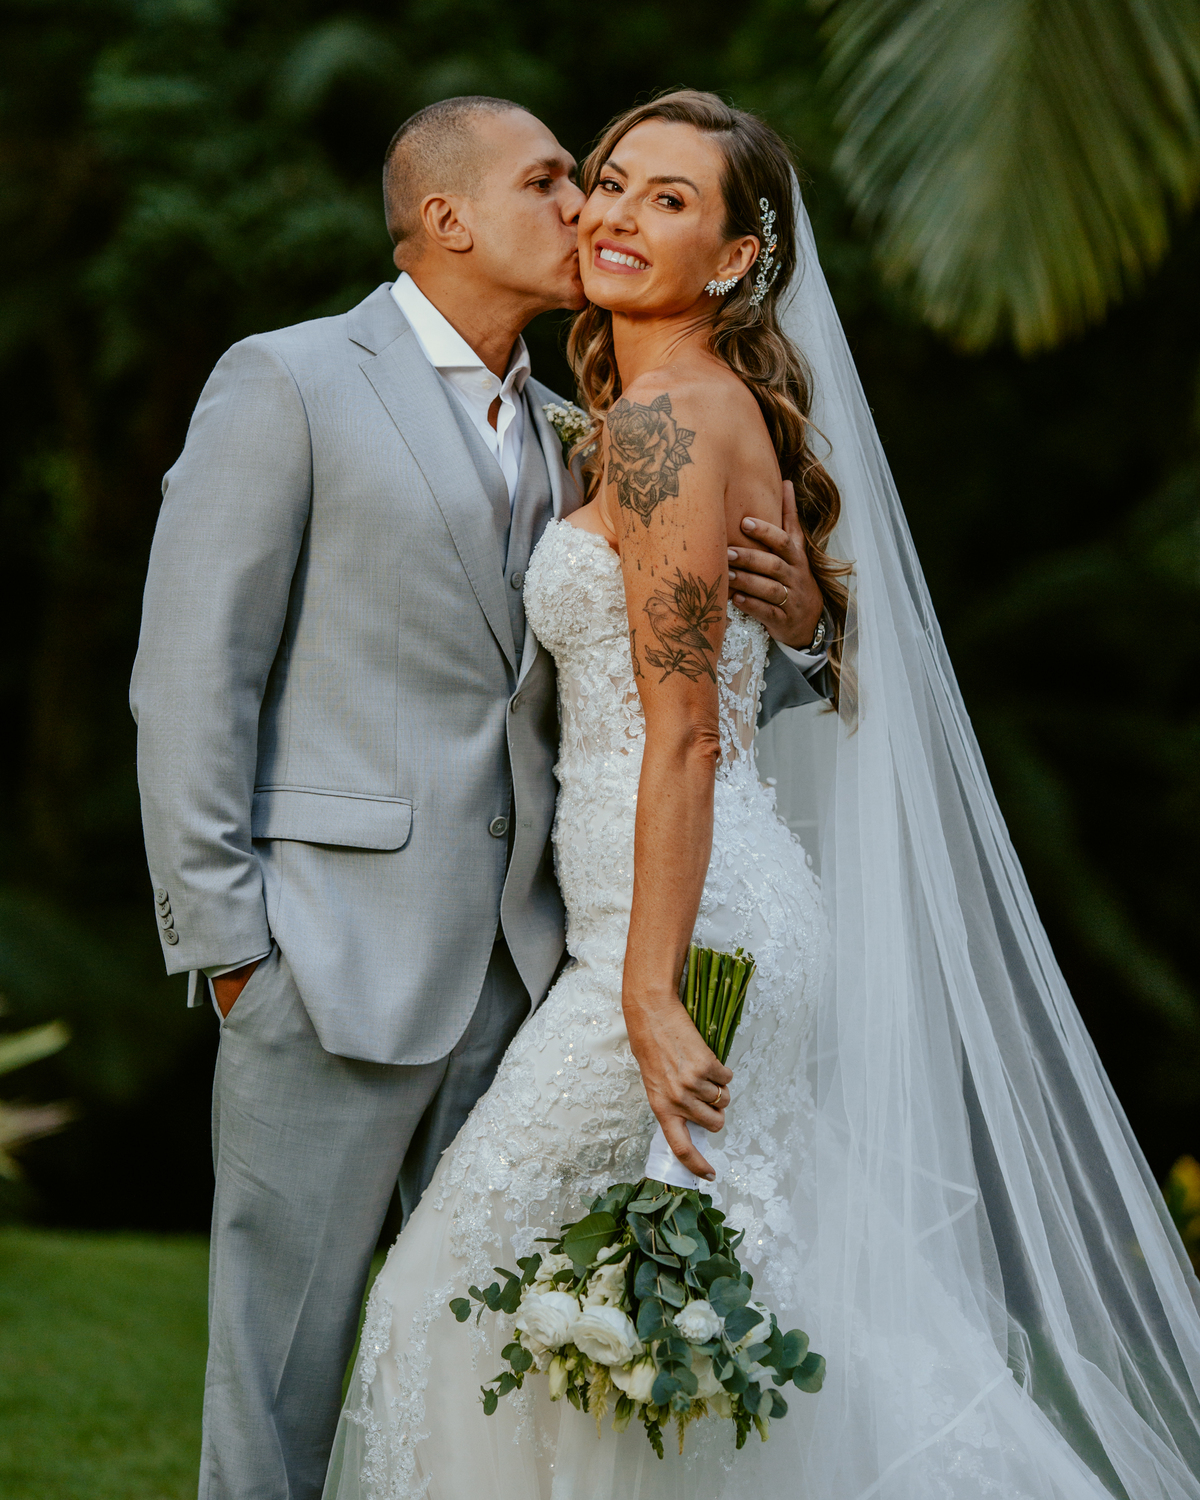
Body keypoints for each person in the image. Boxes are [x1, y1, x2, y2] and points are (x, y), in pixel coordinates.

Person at [323, 90, 1200, 1500]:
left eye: (668, 200)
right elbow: (779, 659)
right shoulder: (656, 413)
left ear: (735, 259)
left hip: (684, 939)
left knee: (452, 1293)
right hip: (710, 917)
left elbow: (683, 738)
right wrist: (811, 632)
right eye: (607, 183)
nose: (613, 213)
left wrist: (655, 995)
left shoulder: (671, 424)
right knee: (671, 1305)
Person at [130, 95, 830, 1500]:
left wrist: (807, 618)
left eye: (625, 187)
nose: (591, 208)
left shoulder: (601, 426)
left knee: (499, 1356)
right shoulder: (287, 382)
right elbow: (191, 679)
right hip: (324, 963)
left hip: (538, 965)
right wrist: (227, 955)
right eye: (561, 180)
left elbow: (714, 681)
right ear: (447, 218)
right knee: (282, 1379)